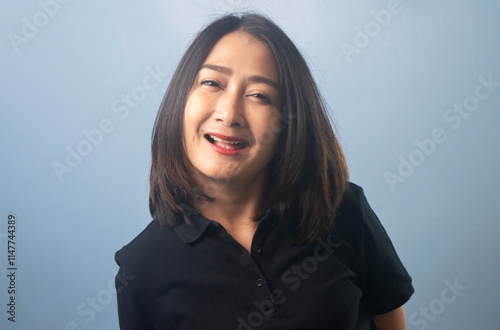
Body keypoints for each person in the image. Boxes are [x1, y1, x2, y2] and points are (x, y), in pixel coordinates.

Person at [115, 13, 414, 330]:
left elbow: (389, 318)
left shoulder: (341, 209)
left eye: (259, 95)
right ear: (180, 101)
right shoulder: (141, 267)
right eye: (212, 83)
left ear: (289, 122)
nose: (230, 114)